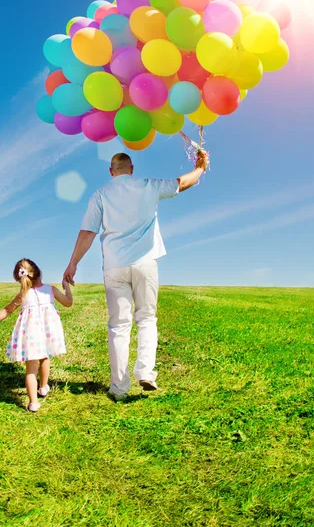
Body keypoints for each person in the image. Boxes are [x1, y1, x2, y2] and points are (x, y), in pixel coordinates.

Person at [63, 150, 209, 401]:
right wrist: (201, 168)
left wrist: (73, 263)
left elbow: (87, 232)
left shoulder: (100, 195)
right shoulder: (148, 186)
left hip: (114, 266)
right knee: (147, 318)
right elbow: (181, 183)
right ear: (131, 169)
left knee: (119, 326)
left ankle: (119, 387)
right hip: (145, 263)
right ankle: (145, 372)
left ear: (111, 172)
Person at [0, 259, 73, 412]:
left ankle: (33, 403)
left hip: (30, 336)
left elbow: (7, 310)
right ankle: (43, 387)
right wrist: (67, 287)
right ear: (38, 272)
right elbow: (68, 303)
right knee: (45, 358)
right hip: (46, 334)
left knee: (30, 369)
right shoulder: (50, 290)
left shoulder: (23, 294)